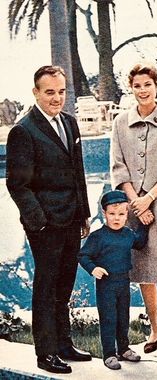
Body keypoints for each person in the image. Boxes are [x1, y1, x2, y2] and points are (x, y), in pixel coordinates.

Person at [6, 65, 92, 374]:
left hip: (71, 218)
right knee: (46, 287)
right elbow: (17, 184)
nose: (57, 98)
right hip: (45, 225)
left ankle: (64, 344)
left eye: (61, 92)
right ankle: (46, 353)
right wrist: (39, 222)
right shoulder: (24, 130)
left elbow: (78, 173)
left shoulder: (69, 123)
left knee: (65, 284)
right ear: (36, 93)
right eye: (50, 92)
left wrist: (83, 213)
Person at [110, 62, 157, 353]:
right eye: (137, 86)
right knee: (143, 270)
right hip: (132, 208)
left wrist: (149, 199)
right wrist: (136, 203)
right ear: (131, 89)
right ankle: (155, 328)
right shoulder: (120, 122)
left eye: (148, 85)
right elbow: (118, 168)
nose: (143, 90)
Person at [79, 190, 148, 370]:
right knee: (108, 318)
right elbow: (83, 255)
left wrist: (145, 224)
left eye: (121, 214)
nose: (116, 218)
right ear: (104, 214)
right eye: (112, 214)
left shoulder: (127, 234)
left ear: (127, 214)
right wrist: (93, 268)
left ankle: (123, 349)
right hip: (106, 284)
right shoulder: (98, 236)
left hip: (123, 282)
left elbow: (140, 243)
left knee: (123, 317)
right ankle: (109, 354)